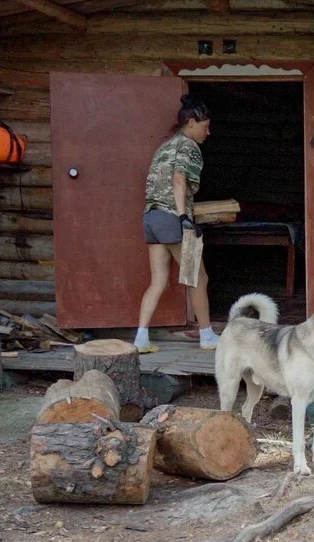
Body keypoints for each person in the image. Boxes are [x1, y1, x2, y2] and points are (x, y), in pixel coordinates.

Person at [134, 95, 218, 352]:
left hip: (152, 218)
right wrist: (183, 217)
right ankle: (207, 336)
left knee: (158, 281)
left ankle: (141, 339)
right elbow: (179, 179)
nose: (208, 132)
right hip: (173, 218)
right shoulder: (189, 146)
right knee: (198, 278)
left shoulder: (165, 147)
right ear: (191, 122)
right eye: (205, 126)